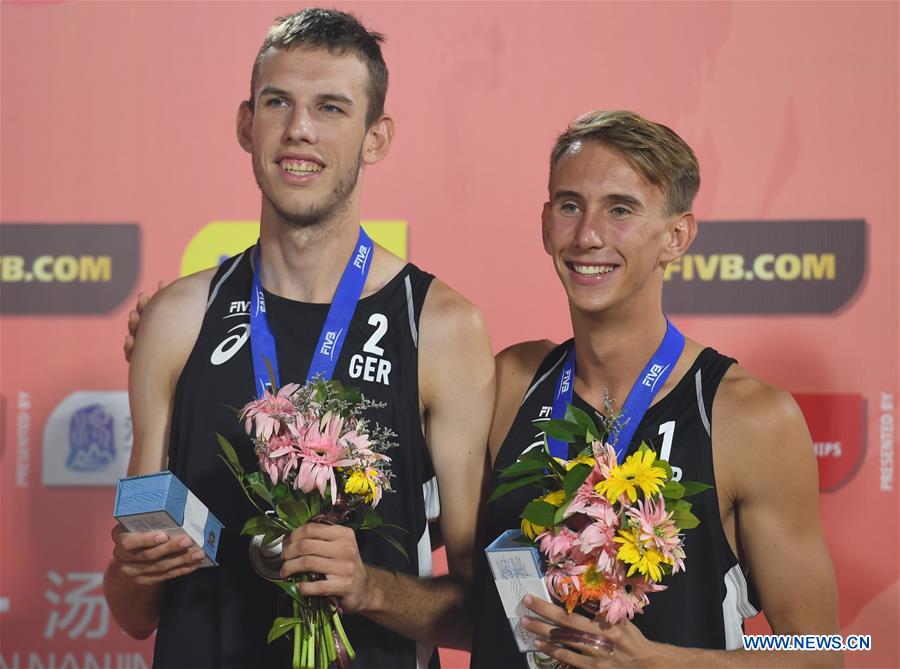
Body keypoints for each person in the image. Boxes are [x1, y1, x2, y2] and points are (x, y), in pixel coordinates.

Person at [103, 9, 494, 669]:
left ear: (377, 137)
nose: (299, 130)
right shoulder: (176, 318)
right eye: (277, 102)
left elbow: (486, 613)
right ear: (244, 122)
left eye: (332, 108)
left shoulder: (443, 326)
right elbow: (132, 613)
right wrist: (136, 567)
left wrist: (369, 587)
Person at [470, 110, 841, 668]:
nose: (588, 234)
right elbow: (464, 596)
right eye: (570, 206)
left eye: (620, 210)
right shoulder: (510, 382)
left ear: (676, 236)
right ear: (546, 223)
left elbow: (825, 653)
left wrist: (660, 662)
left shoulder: (749, 416)